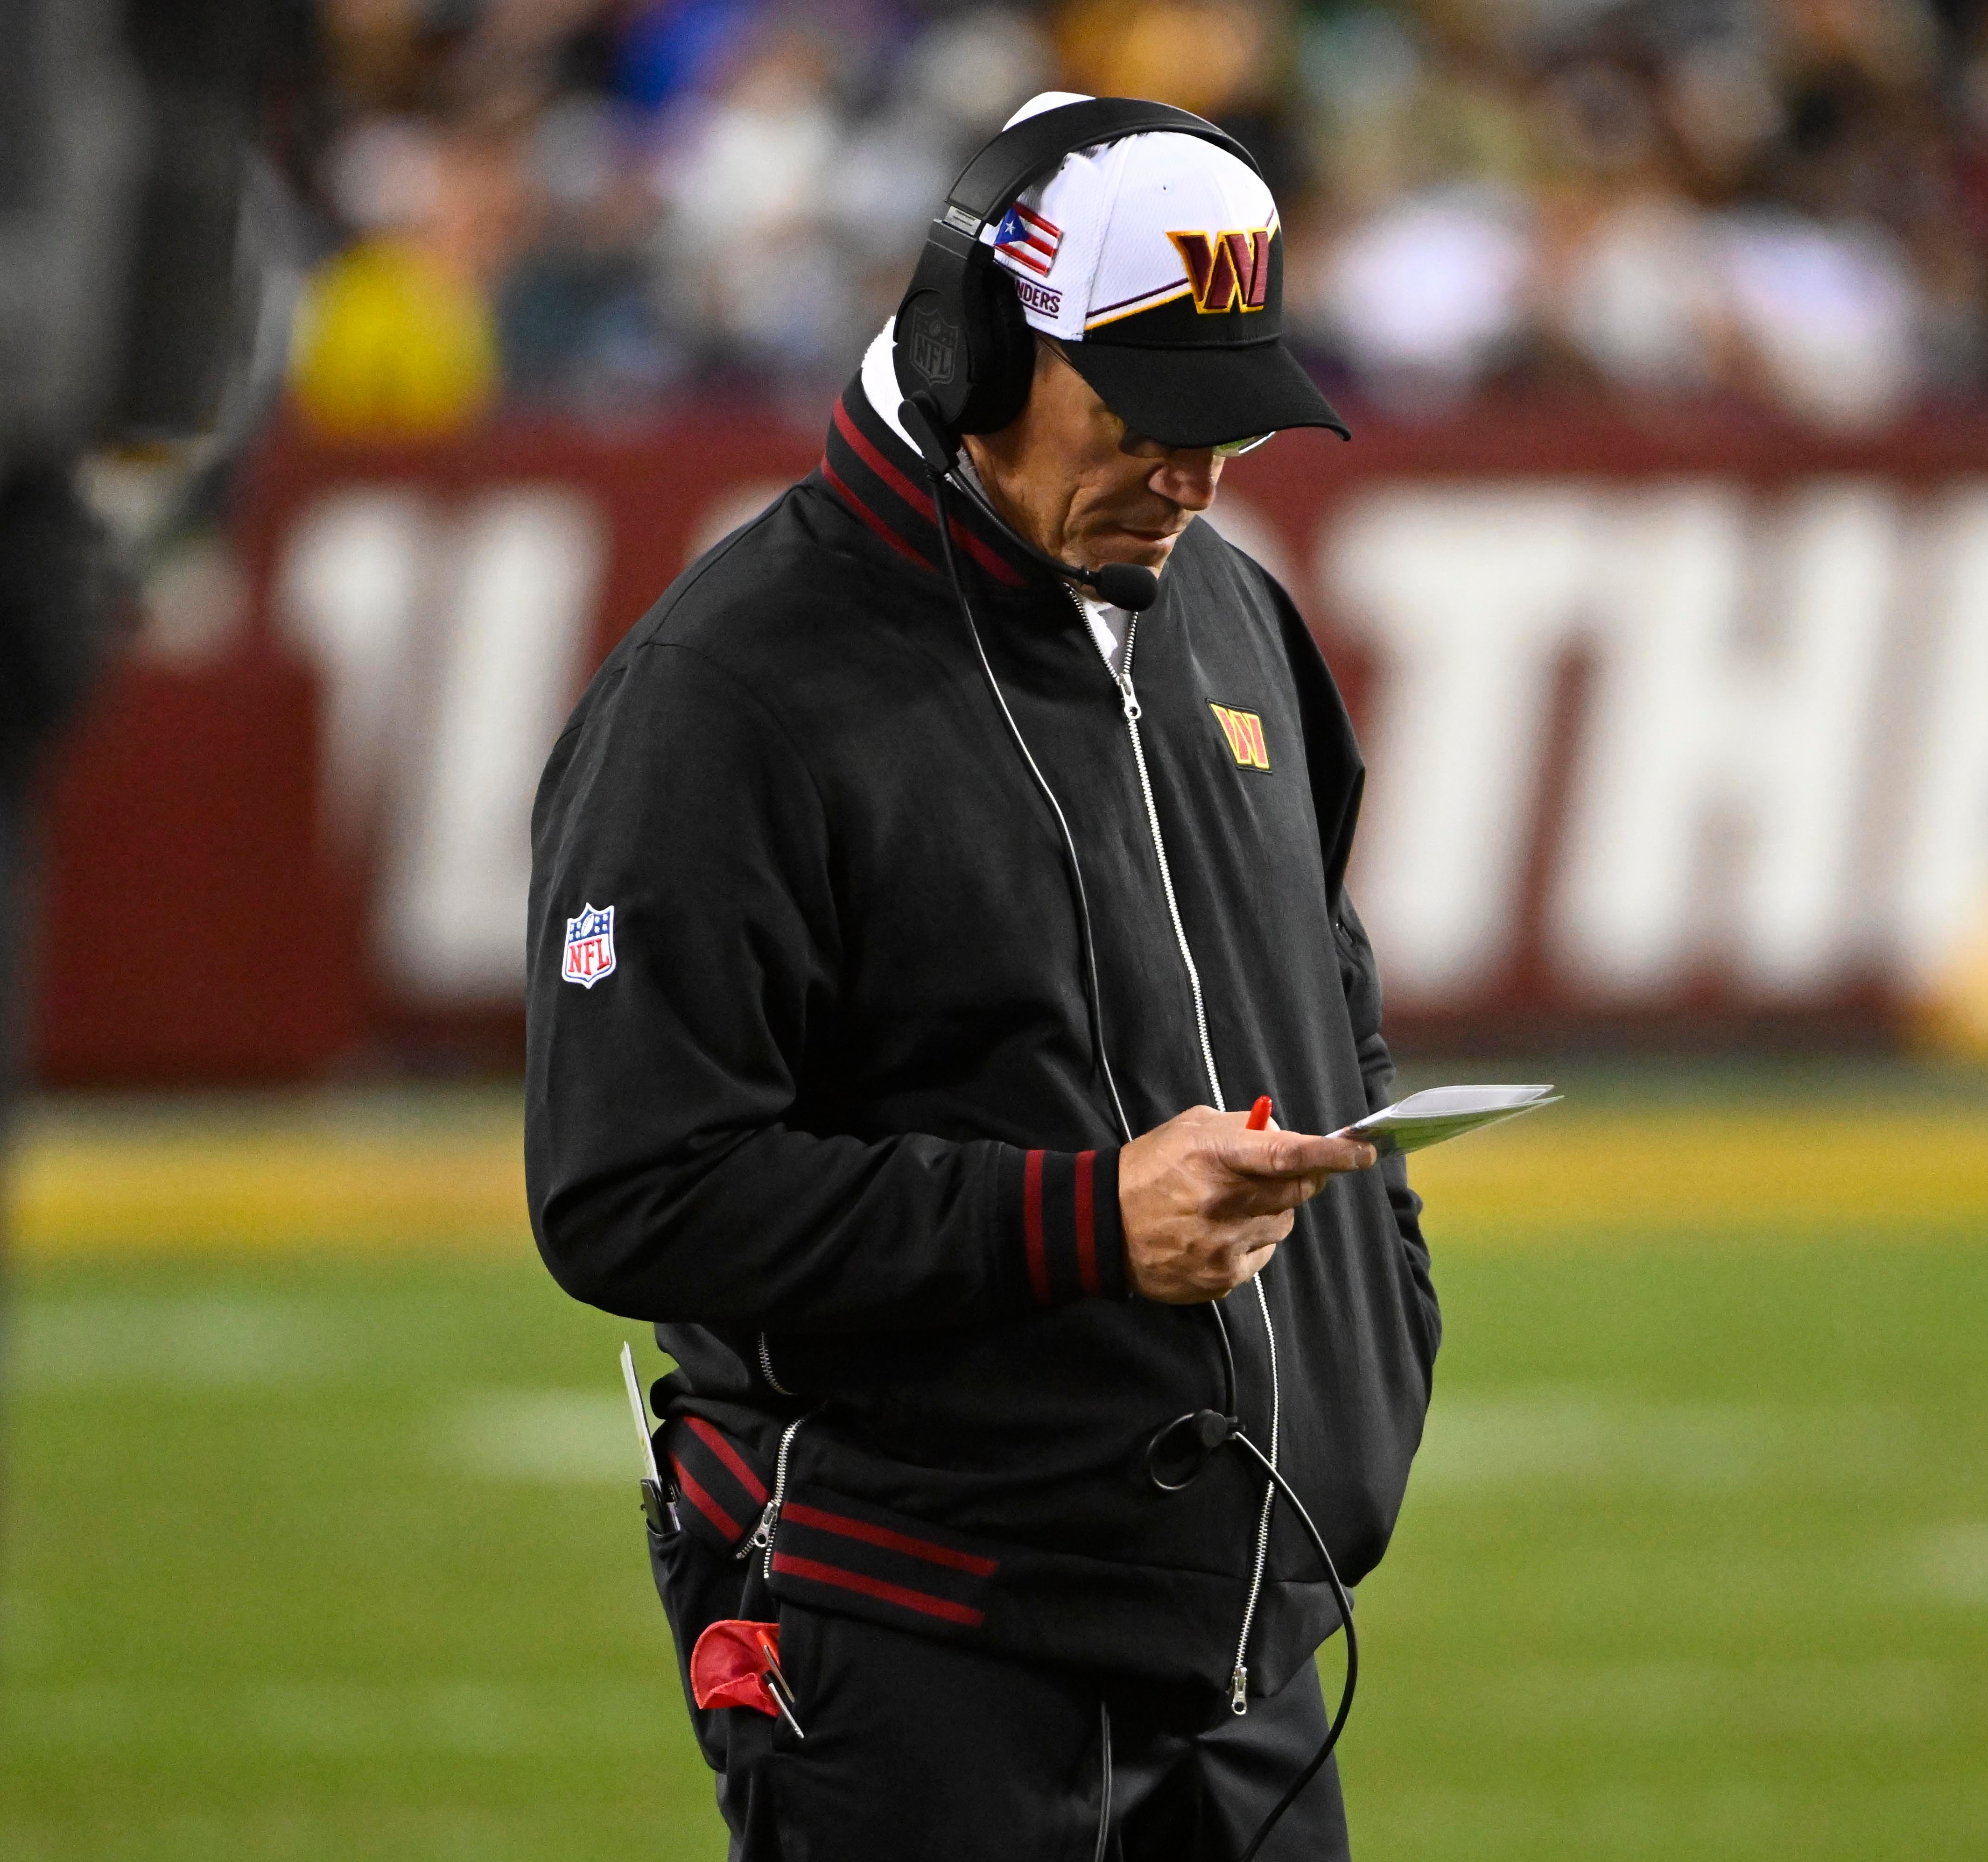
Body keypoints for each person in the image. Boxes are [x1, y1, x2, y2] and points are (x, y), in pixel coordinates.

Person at [525, 93, 1434, 1861]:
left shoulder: (1229, 611)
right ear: (974, 346)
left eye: (1233, 418)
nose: (1201, 469)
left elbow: (1328, 989)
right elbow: (628, 1191)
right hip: (923, 1654)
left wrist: (1375, 1330)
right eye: (1150, 415)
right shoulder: (728, 695)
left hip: (1249, 1655)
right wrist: (1085, 1223)